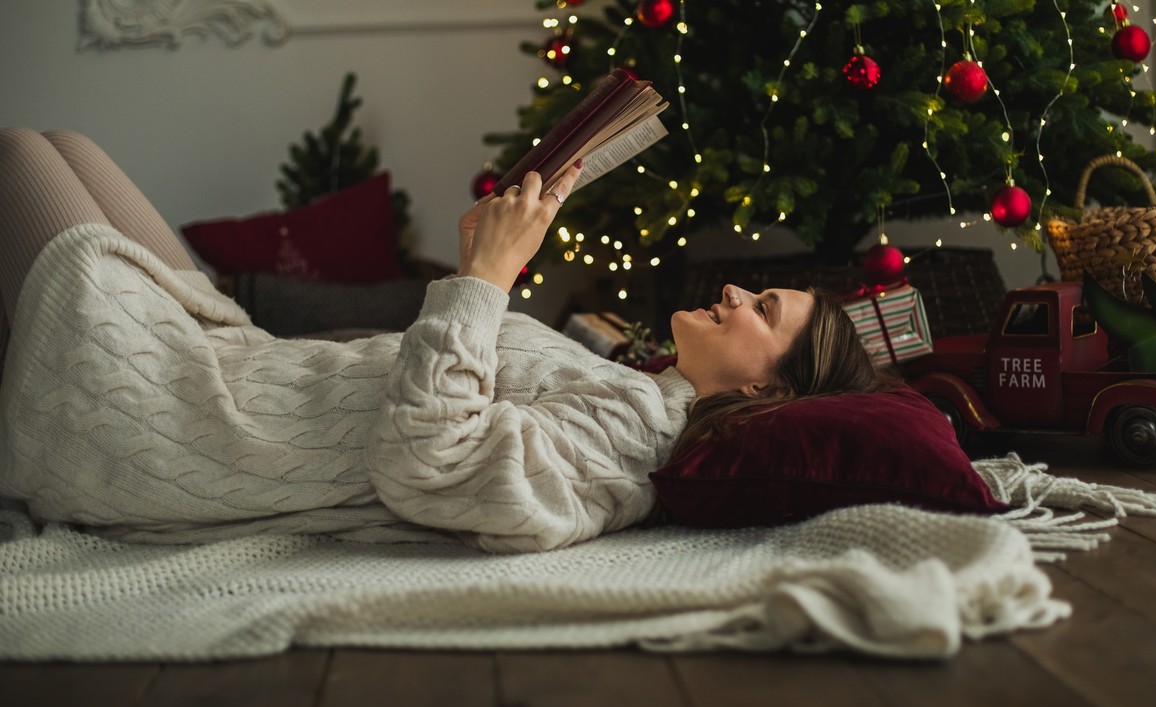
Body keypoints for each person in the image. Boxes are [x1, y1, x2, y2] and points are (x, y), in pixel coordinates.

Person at [0, 128, 892, 553]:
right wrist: (479, 265)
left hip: (179, 412)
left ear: (765, 394)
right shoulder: (642, 390)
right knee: (64, 145)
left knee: (20, 157)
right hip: (238, 364)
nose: (736, 292)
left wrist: (487, 283)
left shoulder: (634, 438)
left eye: (763, 310)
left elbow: (429, 460)